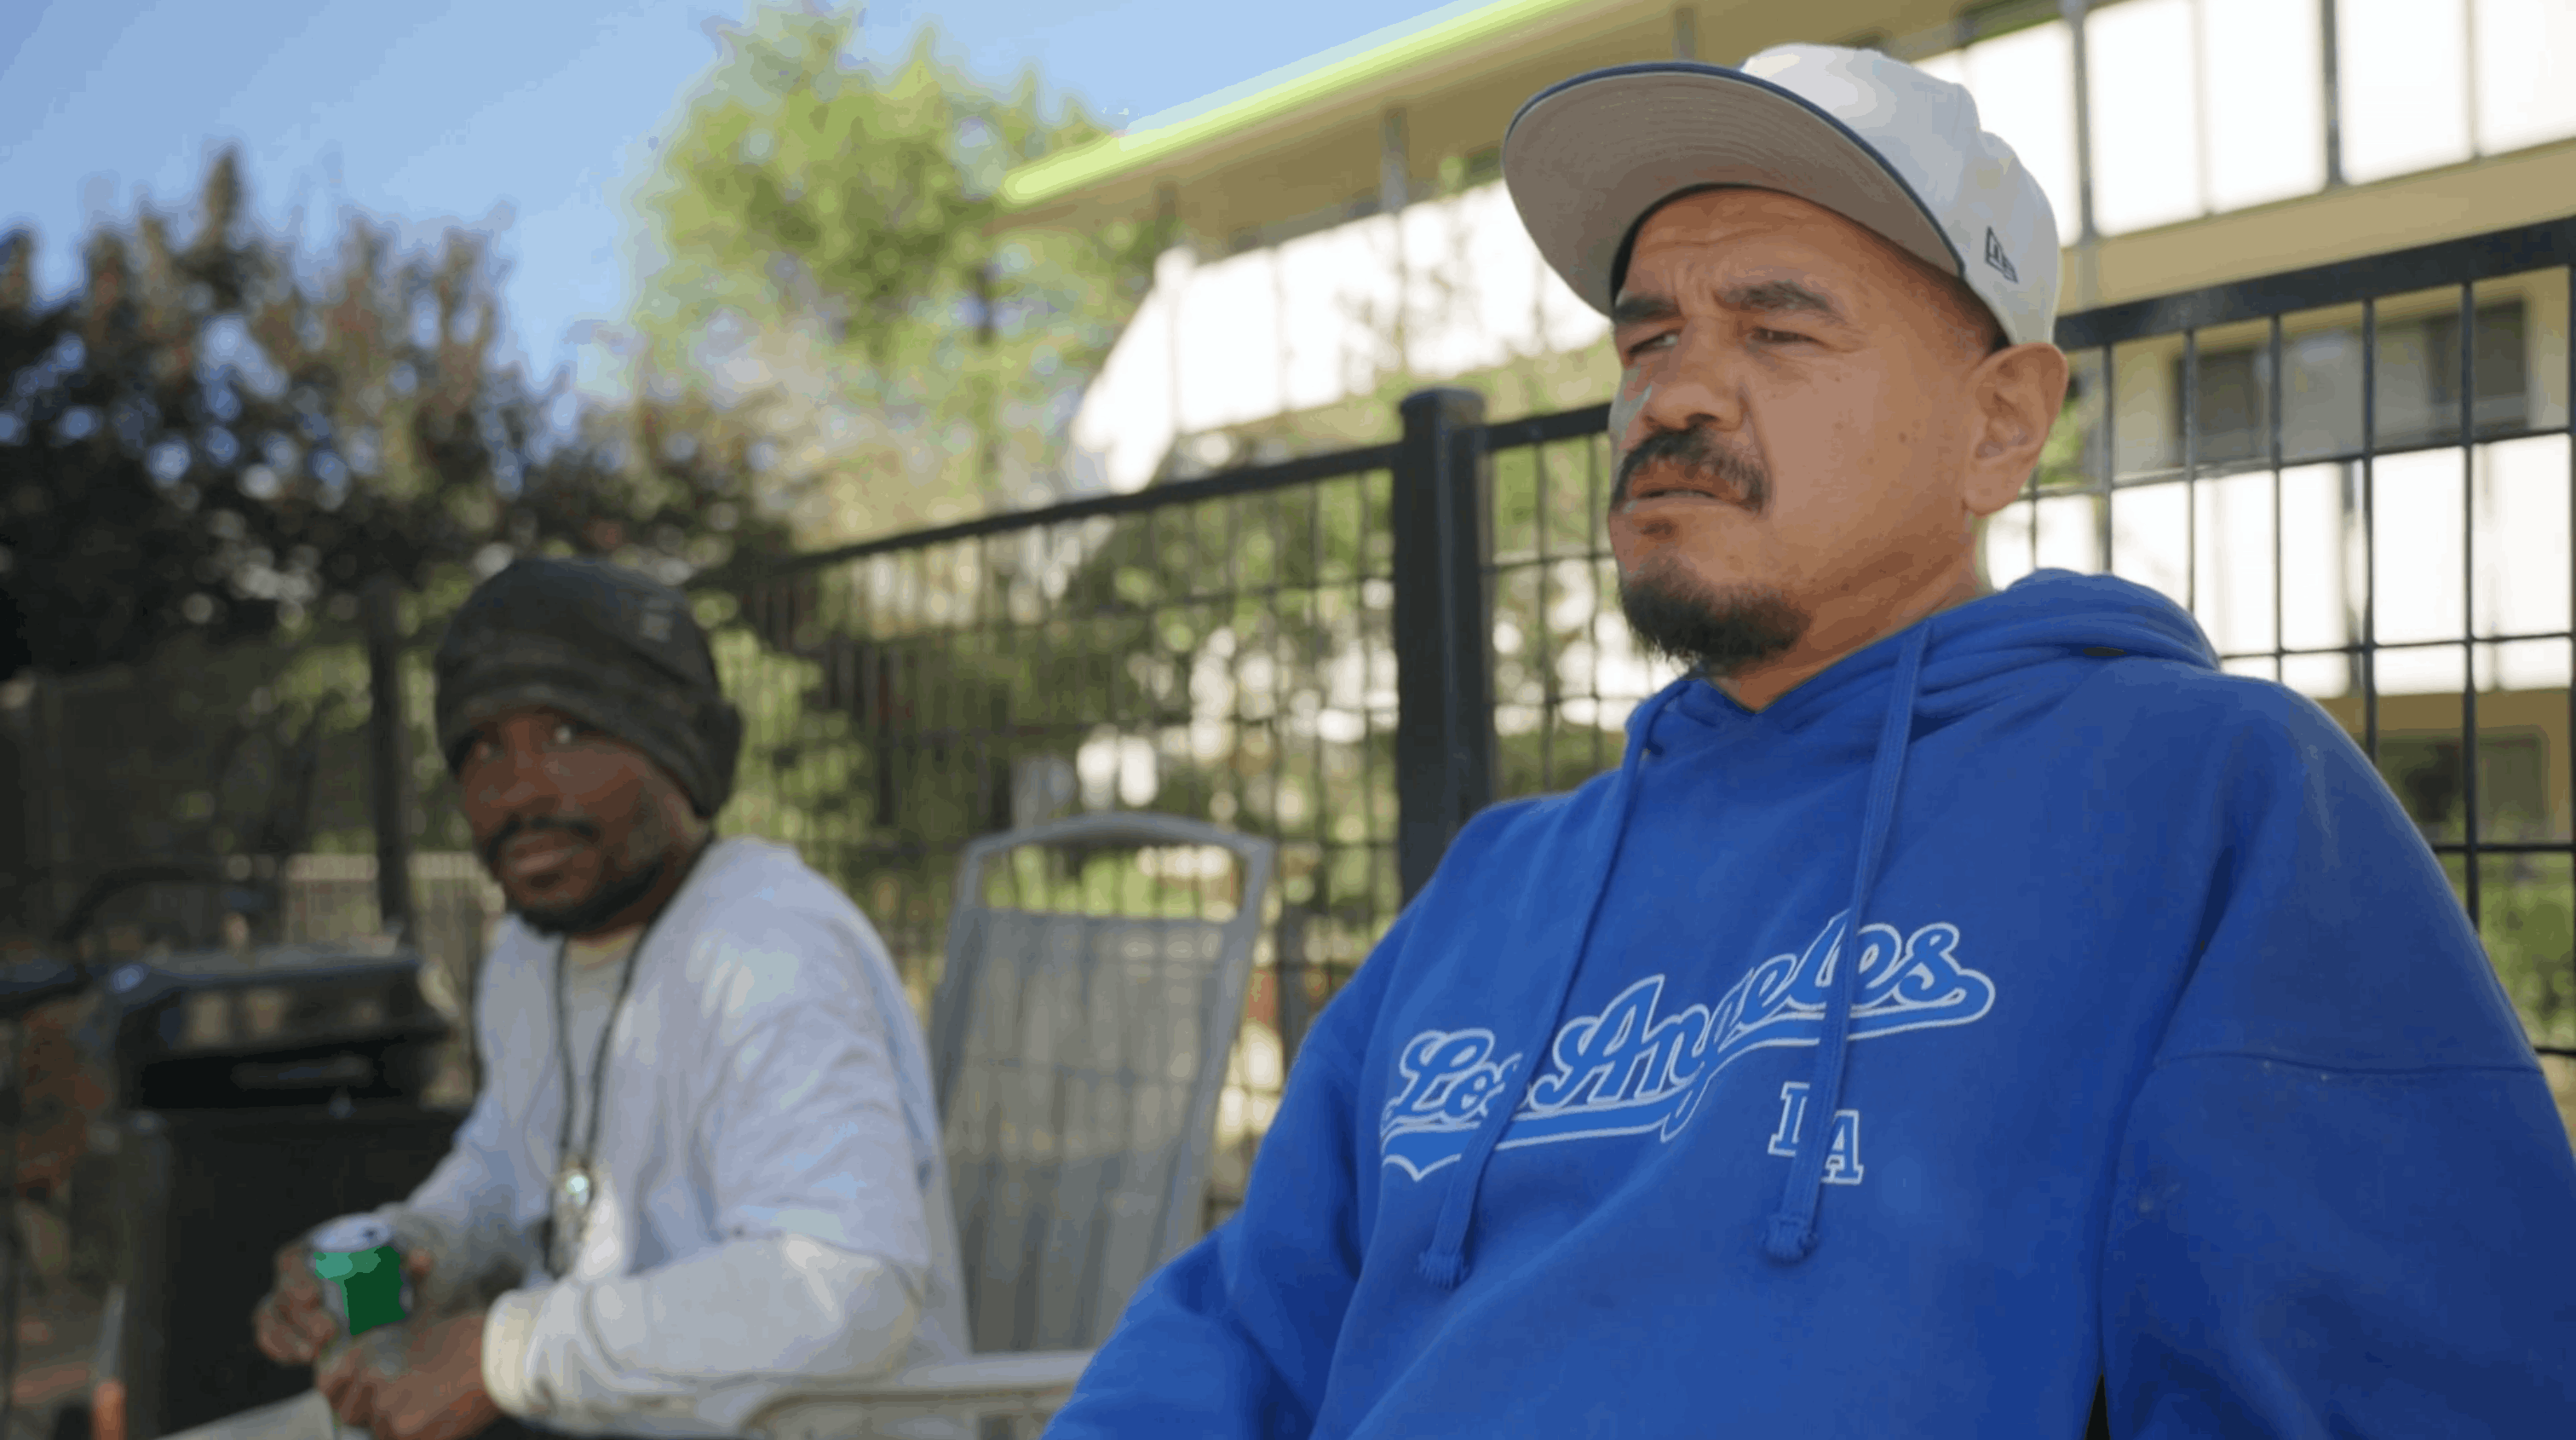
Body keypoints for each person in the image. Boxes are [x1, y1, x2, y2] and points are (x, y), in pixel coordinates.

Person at [1045, 43, 2576, 1437]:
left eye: (1777, 329)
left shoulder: (2208, 798)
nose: (1674, 391)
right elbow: (1233, 1343)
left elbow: (2383, 1385)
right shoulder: (1494, 886)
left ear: (1998, 423)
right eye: (1645, 339)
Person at [245, 556, 968, 1440]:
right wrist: (402, 1249)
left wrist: (508, 1352)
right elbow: (508, 1165)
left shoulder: (766, 949)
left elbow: (849, 1288)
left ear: (680, 748)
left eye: (566, 734)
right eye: (482, 749)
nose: (518, 790)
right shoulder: (530, 955)